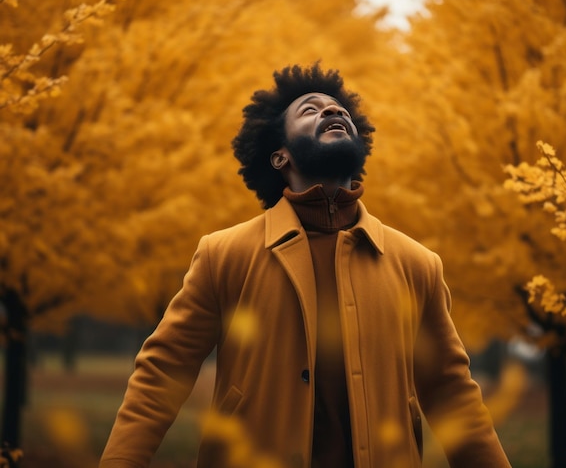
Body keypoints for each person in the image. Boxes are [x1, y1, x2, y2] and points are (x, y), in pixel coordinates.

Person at [100, 63, 511, 468]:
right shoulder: (224, 255)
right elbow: (162, 372)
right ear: (280, 157)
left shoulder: (417, 265)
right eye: (311, 110)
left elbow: (452, 393)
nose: (333, 112)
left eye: (340, 111)